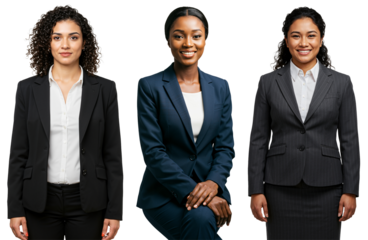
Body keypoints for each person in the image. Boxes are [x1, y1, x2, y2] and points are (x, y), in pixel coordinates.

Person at [7, 4, 124, 240]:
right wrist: (14, 209)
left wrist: (115, 211)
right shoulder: (27, 89)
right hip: (38, 200)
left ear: (84, 43)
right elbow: (18, 153)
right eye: (57, 37)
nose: (65, 45)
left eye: (73, 37)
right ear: (47, 43)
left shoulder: (105, 89)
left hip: (89, 201)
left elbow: (113, 154)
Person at [247, 4, 360, 240]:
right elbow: (257, 140)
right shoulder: (268, 82)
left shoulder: (342, 82)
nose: (303, 43)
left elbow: (350, 139)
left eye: (311, 35)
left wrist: (351, 191)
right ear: (286, 40)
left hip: (328, 188)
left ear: (321, 40)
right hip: (279, 188)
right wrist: (255, 190)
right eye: (296, 36)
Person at [135, 4, 235, 240]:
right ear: (168, 41)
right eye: (179, 36)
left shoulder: (220, 86)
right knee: (201, 220)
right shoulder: (150, 85)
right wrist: (197, 192)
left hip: (212, 187)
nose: (188, 43)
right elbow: (153, 152)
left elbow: (225, 147)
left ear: (205, 40)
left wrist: (212, 184)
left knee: (199, 221)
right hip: (162, 193)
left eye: (196, 36)